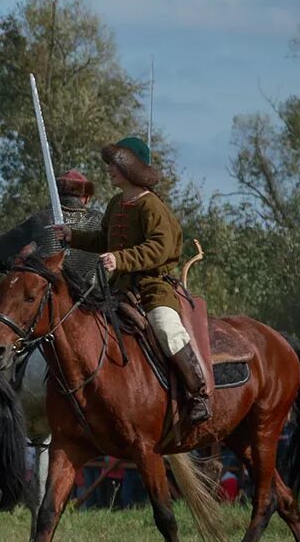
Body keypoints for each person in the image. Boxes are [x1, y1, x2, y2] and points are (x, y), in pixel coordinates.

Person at [59, 135, 209, 426]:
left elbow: (160, 248)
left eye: (115, 164)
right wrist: (72, 236)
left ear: (132, 168)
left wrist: (121, 259)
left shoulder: (152, 206)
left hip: (153, 289)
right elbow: (105, 238)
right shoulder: (116, 203)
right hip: (119, 292)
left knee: (167, 329)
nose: (108, 170)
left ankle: (198, 394)